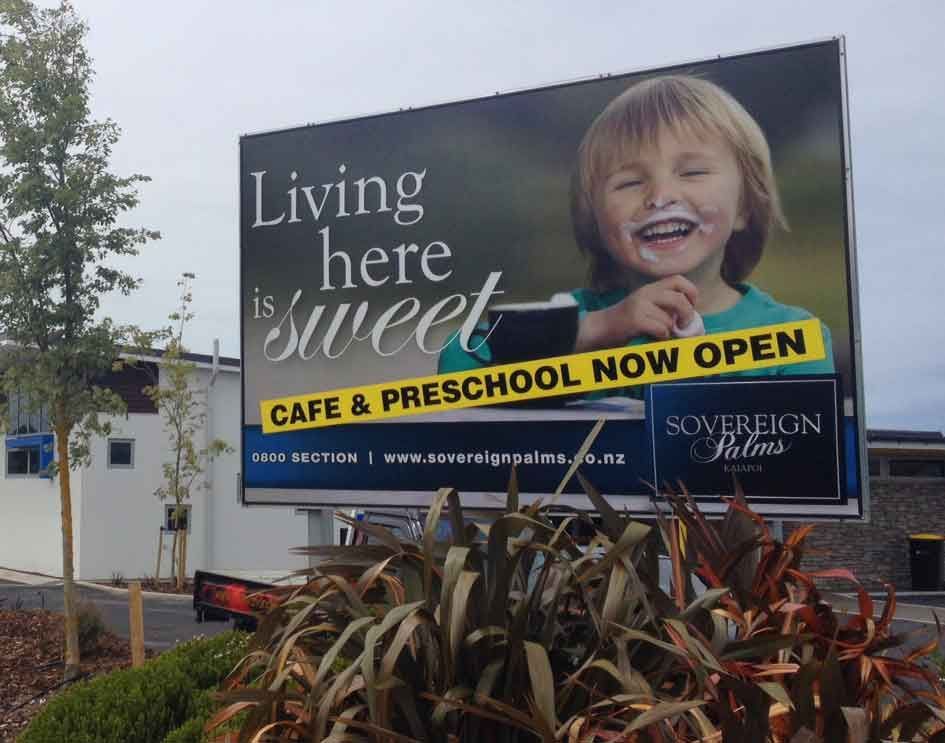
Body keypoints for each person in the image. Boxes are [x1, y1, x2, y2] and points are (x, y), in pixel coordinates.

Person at [438, 74, 834, 385]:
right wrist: (592, 331)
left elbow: (802, 466)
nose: (660, 196)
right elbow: (455, 365)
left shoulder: (794, 337)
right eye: (629, 183)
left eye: (693, 172)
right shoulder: (577, 319)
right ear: (596, 222)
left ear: (746, 206)